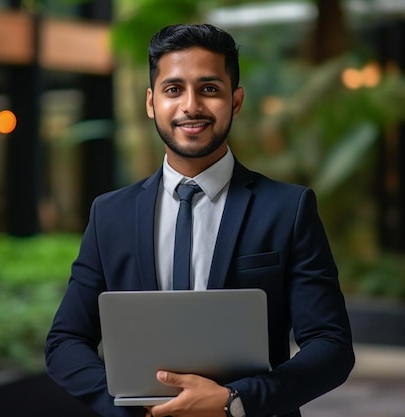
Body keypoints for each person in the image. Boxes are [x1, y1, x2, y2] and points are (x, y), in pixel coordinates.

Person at [45, 23, 355, 417]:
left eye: (209, 89)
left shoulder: (287, 209)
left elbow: (330, 346)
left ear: (236, 101)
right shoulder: (110, 214)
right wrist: (129, 406)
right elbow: (65, 341)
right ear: (151, 102)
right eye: (173, 89)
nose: (191, 106)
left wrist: (235, 401)